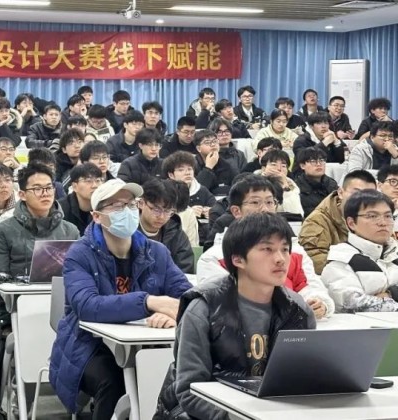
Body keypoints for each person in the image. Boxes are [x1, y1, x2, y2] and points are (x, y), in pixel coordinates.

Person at [49, 179, 191, 419]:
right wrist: (148, 302)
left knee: (177, 377)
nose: (126, 211)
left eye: (131, 204)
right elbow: (86, 306)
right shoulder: (79, 254)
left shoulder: (156, 252)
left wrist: (172, 315)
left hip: (147, 345)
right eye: (116, 206)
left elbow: (187, 296)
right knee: (114, 381)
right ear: (97, 216)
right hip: (87, 345)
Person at [155, 212, 317, 419]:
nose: (280, 259)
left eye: (285, 249)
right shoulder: (204, 309)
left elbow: (304, 381)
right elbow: (189, 392)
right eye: (267, 249)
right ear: (238, 259)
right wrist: (241, 416)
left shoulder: (297, 309)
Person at [197, 175, 334, 315]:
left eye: (269, 202)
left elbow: (311, 286)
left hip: (293, 323)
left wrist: (318, 303)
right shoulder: (214, 258)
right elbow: (221, 303)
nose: (265, 209)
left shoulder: (294, 251)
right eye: (255, 202)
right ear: (236, 211)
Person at [0, 163, 80, 331]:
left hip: (64, 312)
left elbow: (80, 277)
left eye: (48, 188)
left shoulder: (70, 231)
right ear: (22, 194)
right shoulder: (4, 230)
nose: (45, 193)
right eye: (37, 189)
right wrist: (4, 322)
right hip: (19, 312)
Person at [320, 190, 398, 312]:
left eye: (388, 216)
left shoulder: (394, 253)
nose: (383, 223)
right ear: (351, 223)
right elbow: (353, 305)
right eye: (372, 216)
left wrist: (390, 294)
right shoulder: (341, 260)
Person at [300, 170, 377, 274]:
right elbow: (314, 262)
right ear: (340, 193)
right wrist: (356, 265)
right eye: (356, 193)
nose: (363, 200)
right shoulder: (316, 221)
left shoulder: (379, 218)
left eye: (369, 196)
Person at [139, 178, 194, 273]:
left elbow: (184, 271)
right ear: (141, 203)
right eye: (156, 210)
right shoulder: (128, 230)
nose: (161, 217)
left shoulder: (177, 234)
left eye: (168, 211)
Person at [162, 151, 216, 229]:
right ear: (171, 175)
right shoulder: (165, 191)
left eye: (190, 169)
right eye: (181, 170)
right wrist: (188, 213)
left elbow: (215, 207)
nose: (187, 173)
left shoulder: (201, 189)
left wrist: (211, 212)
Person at [58, 163, 103, 234]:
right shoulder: (60, 208)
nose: (95, 186)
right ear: (74, 187)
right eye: (88, 181)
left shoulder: (107, 206)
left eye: (98, 181)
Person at [257, 150, 304, 217]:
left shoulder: (292, 186)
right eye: (273, 165)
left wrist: (285, 185)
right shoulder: (254, 184)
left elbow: (297, 214)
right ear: (263, 168)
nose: (279, 169)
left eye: (283, 166)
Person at [293, 147, 338, 217]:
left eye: (321, 160)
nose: (318, 164)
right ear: (302, 166)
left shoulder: (332, 184)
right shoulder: (296, 187)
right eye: (313, 161)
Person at [194, 130, 238, 195]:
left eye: (215, 141)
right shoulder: (192, 165)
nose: (213, 145)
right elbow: (197, 191)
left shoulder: (226, 164)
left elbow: (235, 188)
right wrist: (208, 167)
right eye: (207, 142)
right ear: (198, 148)